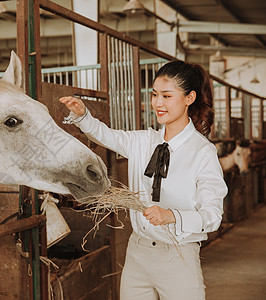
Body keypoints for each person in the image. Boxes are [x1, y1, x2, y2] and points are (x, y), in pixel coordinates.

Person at [59, 60, 228, 300]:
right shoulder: (143, 141)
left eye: (167, 96)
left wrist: (171, 215)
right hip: (138, 252)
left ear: (189, 98)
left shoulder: (203, 152)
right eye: (154, 94)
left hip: (178, 256)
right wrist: (83, 115)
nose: (158, 103)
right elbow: (106, 135)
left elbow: (212, 216)